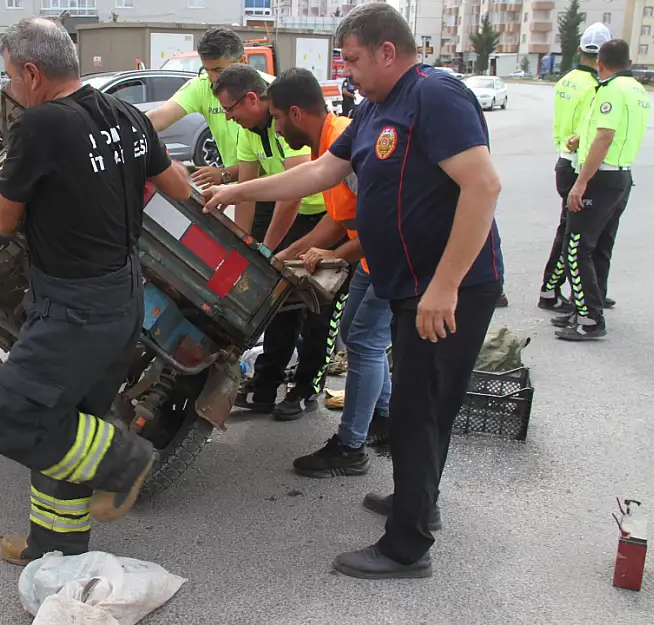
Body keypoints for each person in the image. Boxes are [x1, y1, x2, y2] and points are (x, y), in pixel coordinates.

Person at [202, 3, 503, 579]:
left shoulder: (435, 97)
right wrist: (235, 192)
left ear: (388, 51)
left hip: (447, 287)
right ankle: (420, 500)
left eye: (356, 59)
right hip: (409, 283)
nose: (349, 72)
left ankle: (406, 546)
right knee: (426, 404)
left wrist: (446, 285)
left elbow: (483, 186)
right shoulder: (373, 109)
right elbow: (318, 175)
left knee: (419, 409)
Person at [0, 17, 191, 566]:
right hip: (123, 300)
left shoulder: (40, 125)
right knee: (70, 424)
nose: (9, 89)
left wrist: (7, 187)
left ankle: (125, 462)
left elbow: (2, 221)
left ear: (31, 72)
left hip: (73, 309)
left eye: (9, 77)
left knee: (9, 418)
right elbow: (177, 187)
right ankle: (55, 548)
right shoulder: (127, 115)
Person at [261, 67, 393, 478]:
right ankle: (385, 419)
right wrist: (288, 253)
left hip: (391, 257)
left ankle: (351, 447)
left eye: (278, 118)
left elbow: (377, 230)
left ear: (296, 113)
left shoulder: (344, 143)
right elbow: (337, 220)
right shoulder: (331, 142)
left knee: (365, 343)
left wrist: (332, 253)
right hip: (374, 259)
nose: (277, 129)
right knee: (356, 334)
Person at [211, 64, 346, 420]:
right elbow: (247, 194)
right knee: (281, 305)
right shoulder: (248, 130)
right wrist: (246, 244)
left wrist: (268, 251)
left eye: (230, 110)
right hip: (305, 220)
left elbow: (294, 192)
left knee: (318, 308)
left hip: (324, 216)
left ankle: (306, 387)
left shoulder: (293, 124)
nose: (229, 118)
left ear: (252, 99)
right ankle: (266, 383)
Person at [553, 38, 650, 340]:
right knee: (599, 247)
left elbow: (605, 136)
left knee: (575, 248)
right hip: (621, 177)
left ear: (600, 64)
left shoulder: (610, 90)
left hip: (601, 177)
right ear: (629, 63)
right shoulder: (638, 90)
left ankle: (589, 318)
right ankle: (583, 307)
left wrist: (581, 182)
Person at [539, 23, 613, 313]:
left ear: (580, 49)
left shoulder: (566, 80)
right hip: (579, 161)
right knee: (573, 235)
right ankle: (554, 290)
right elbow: (592, 129)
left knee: (568, 229)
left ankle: (561, 289)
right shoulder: (596, 87)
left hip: (562, 159)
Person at [147, 27, 274, 191]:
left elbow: (276, 161)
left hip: (276, 189)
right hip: (243, 188)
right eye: (207, 70)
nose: (213, 79)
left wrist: (225, 175)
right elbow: (157, 118)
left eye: (219, 70)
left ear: (242, 61)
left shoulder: (271, 90)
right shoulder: (202, 86)